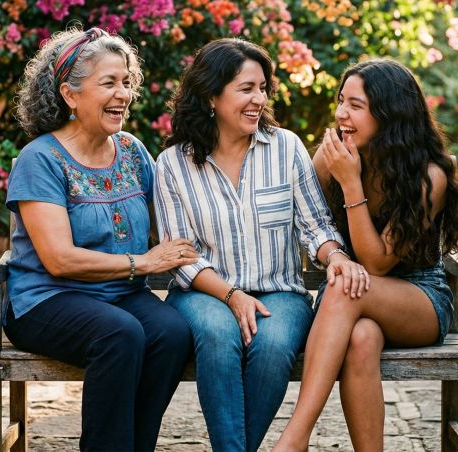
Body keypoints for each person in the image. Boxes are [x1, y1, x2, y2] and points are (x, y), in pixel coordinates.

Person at [154, 38, 365, 452]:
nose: (258, 99)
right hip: (202, 294)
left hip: (280, 292)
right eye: (245, 88)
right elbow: (182, 257)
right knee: (218, 335)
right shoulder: (173, 164)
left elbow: (315, 225)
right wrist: (232, 296)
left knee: (271, 345)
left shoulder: (285, 147)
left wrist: (335, 255)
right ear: (212, 95)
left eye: (263, 88)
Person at [3, 26, 199, 451]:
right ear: (70, 95)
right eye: (108, 82)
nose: (123, 93)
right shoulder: (41, 159)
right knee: (120, 334)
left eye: (127, 81)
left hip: (118, 296)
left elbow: (166, 219)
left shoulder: (130, 150)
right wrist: (143, 263)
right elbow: (59, 260)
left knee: (172, 332)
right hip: (46, 299)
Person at [272, 58, 458, 452]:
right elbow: (306, 221)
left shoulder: (429, 175)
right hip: (355, 301)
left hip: (418, 299)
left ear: (388, 114)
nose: (341, 113)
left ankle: (294, 438)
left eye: (355, 105)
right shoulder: (333, 156)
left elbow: (376, 262)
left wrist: (350, 183)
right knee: (361, 339)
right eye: (341, 101)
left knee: (345, 287)